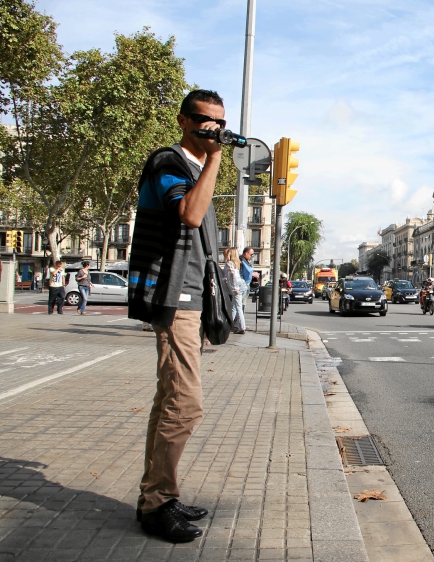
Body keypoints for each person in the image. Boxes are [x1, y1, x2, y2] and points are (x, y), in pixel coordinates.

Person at [127, 89, 226, 543]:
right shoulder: (169, 162)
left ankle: (158, 494)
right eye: (206, 122)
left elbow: (202, 243)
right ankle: (156, 504)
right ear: (184, 121)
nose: (215, 131)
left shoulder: (193, 168)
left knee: (168, 398)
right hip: (171, 296)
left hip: (190, 299)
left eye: (220, 124)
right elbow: (188, 214)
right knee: (186, 404)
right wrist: (216, 159)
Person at [224, 248, 246, 334]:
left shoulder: (229, 263)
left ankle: (241, 327)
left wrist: (235, 288)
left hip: (236, 289)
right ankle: (230, 325)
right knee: (234, 307)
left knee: (237, 307)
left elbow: (233, 276)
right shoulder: (236, 263)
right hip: (240, 287)